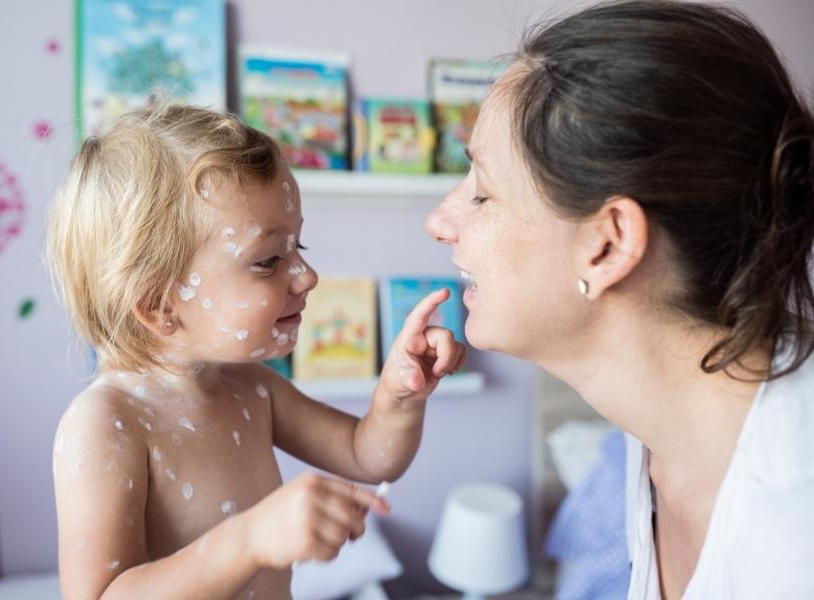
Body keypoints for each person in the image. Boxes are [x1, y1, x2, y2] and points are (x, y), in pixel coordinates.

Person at [425, 1, 814, 598]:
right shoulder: (654, 430)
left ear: (606, 246)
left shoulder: (792, 538)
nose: (439, 222)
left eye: (483, 195)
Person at [46, 104, 466, 600]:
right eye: (268, 261)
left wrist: (399, 397)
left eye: (299, 248)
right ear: (159, 306)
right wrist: (250, 538)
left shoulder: (252, 388)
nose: (307, 276)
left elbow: (367, 456)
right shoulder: (105, 423)